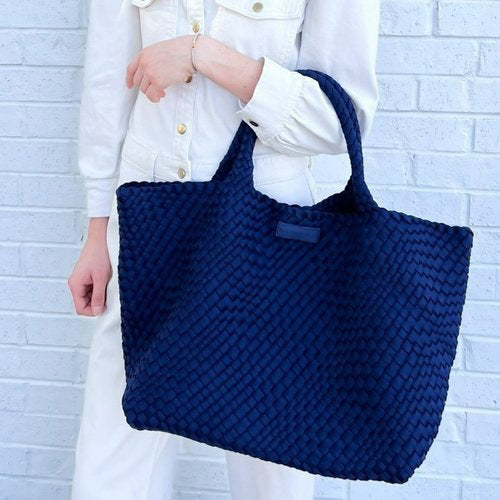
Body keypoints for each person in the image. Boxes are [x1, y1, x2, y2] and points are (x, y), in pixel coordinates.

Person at [68, 0, 380, 498]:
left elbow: (338, 118)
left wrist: (204, 55)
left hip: (272, 237)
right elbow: (108, 82)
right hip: (146, 224)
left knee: (273, 469)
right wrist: (97, 229)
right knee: (112, 465)